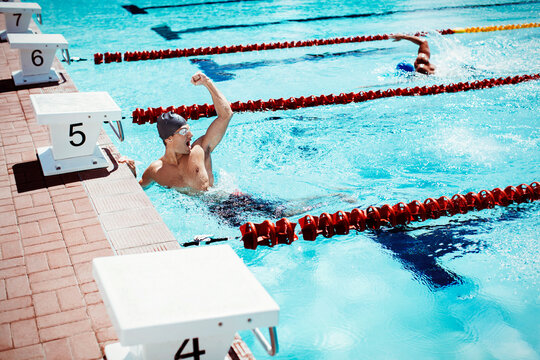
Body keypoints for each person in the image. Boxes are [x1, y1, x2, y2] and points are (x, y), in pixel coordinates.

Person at [138, 71, 233, 191]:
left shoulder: (200, 149)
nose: (191, 135)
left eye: (189, 130)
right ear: (169, 139)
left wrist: (207, 83)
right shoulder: (155, 171)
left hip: (232, 204)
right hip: (204, 209)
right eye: (184, 132)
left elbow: (226, 115)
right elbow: (137, 189)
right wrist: (130, 171)